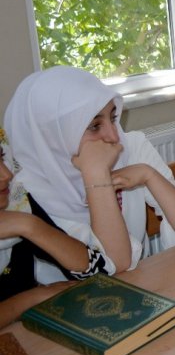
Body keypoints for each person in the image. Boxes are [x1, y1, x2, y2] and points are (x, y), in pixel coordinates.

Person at [4, 67, 175, 284]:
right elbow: (115, 264)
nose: (113, 136)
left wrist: (148, 174)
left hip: (139, 285)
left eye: (113, 118)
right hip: (70, 303)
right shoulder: (24, 192)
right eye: (94, 126)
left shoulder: (131, 146)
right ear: (52, 135)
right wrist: (96, 176)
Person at [0, 127, 103, 328]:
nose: (6, 174)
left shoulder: (17, 203)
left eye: (2, 157)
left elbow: (92, 270)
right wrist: (32, 298)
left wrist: (30, 225)